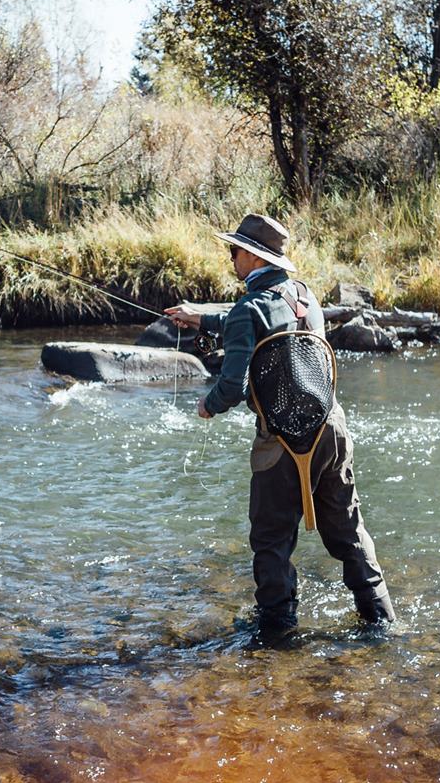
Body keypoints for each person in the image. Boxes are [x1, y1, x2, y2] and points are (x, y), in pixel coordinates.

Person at [166, 213, 396, 636]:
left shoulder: (247, 310)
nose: (230, 257)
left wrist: (207, 406)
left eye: (234, 250)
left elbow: (232, 386)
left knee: (271, 541)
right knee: (348, 531)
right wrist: (201, 318)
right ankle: (381, 619)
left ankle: (278, 633)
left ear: (254, 257)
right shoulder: (304, 294)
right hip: (330, 430)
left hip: (281, 443)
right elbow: (259, 317)